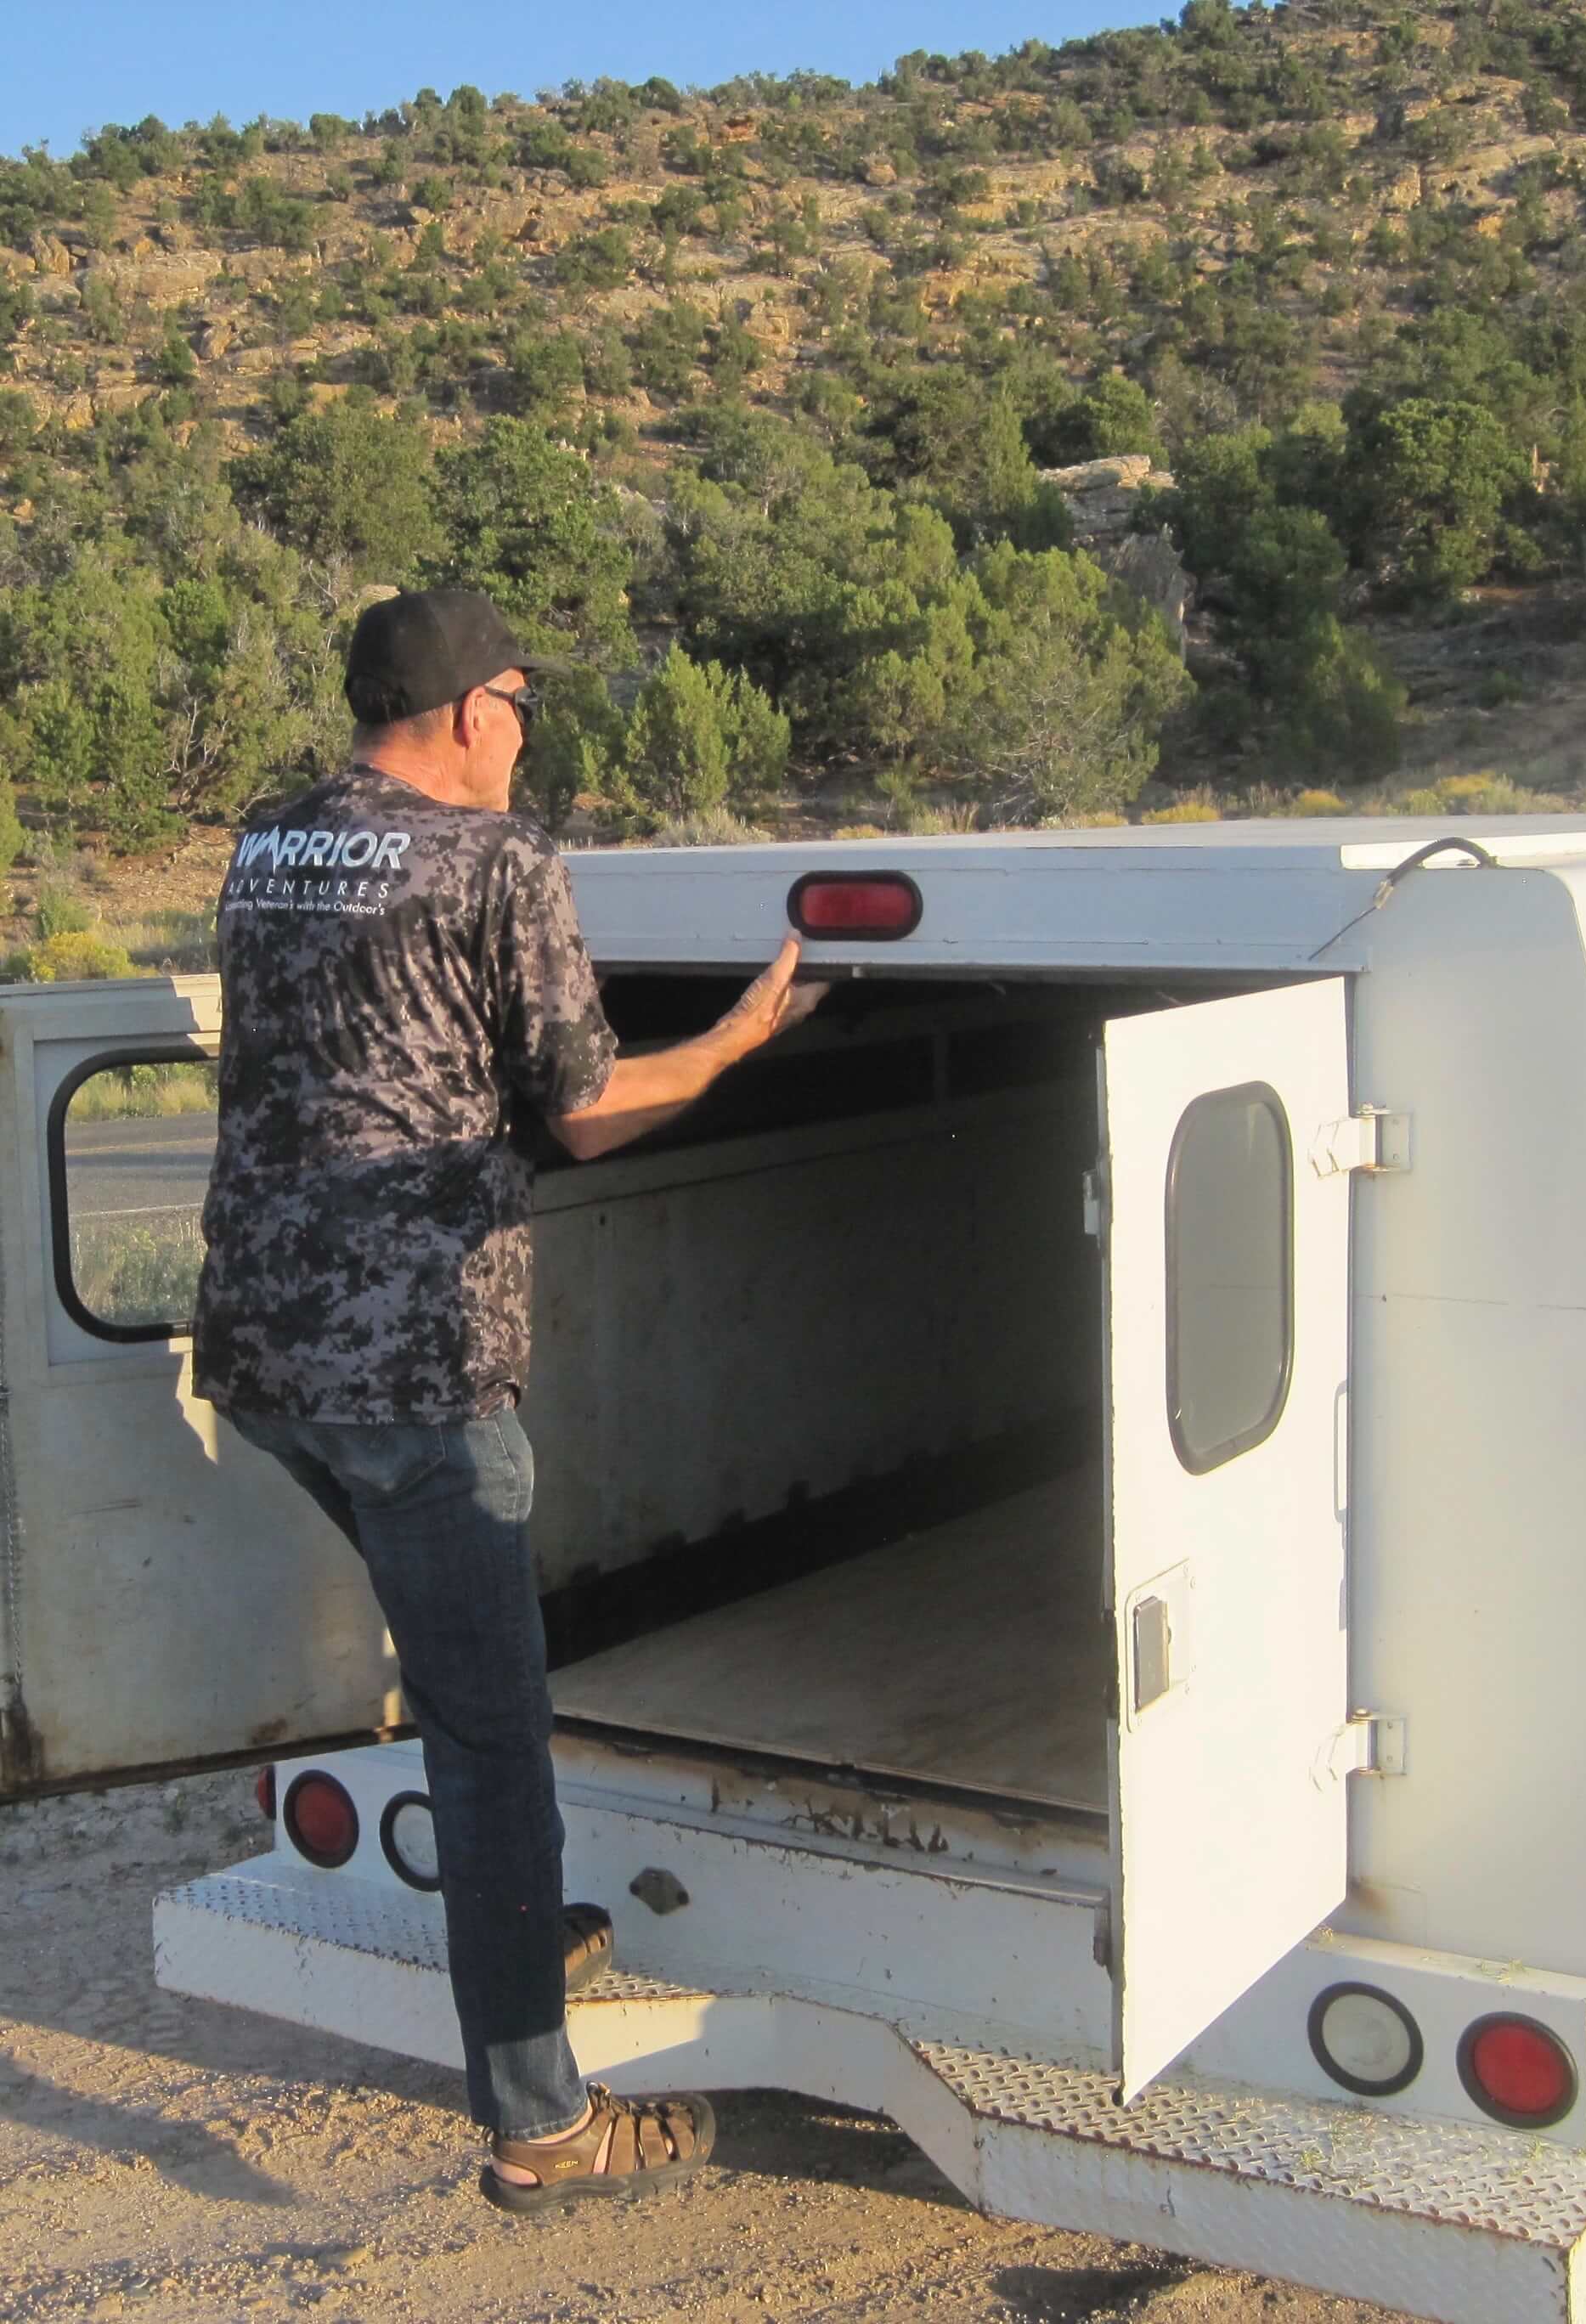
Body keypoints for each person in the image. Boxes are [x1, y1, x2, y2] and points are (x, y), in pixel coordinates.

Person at [193, 586, 823, 2210]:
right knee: (490, 1735)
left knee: (460, 1679)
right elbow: (595, 1108)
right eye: (523, 707)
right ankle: (545, 2123)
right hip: (415, 1375)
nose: (528, 736)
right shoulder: (494, 862)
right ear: (473, 711)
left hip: (262, 1358)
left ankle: (511, 1920)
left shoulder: (268, 846)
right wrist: (743, 1039)